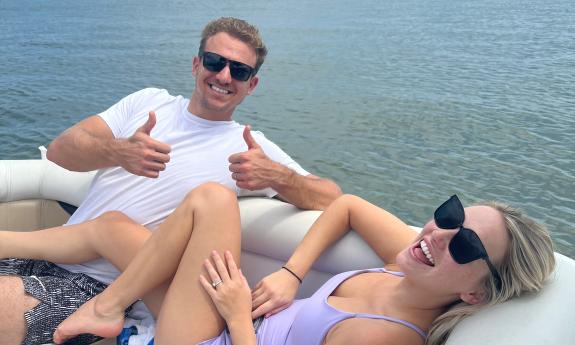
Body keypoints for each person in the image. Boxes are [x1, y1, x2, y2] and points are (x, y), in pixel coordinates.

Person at [0, 17, 341, 345]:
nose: (224, 75)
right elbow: (61, 150)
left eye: (239, 70)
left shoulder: (250, 147)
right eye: (214, 61)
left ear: (251, 85)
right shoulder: (148, 103)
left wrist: (278, 176)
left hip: (102, 285)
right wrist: (118, 152)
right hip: (54, 252)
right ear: (196, 65)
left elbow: (330, 197)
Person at [0, 184, 555, 344]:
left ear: (476, 295)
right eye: (449, 213)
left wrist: (240, 316)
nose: (440, 234)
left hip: (216, 337)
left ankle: (108, 308)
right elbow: (348, 205)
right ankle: (108, 305)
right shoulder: (410, 266)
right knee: (114, 227)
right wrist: (291, 273)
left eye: (466, 247)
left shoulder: (384, 337)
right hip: (223, 324)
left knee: (213, 200)